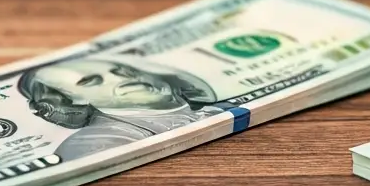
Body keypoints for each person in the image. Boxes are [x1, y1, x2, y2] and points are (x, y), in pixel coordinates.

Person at [19, 53, 225, 160]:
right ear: (70, 101)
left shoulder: (211, 109)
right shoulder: (93, 142)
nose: (121, 79)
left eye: (122, 71)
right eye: (91, 81)